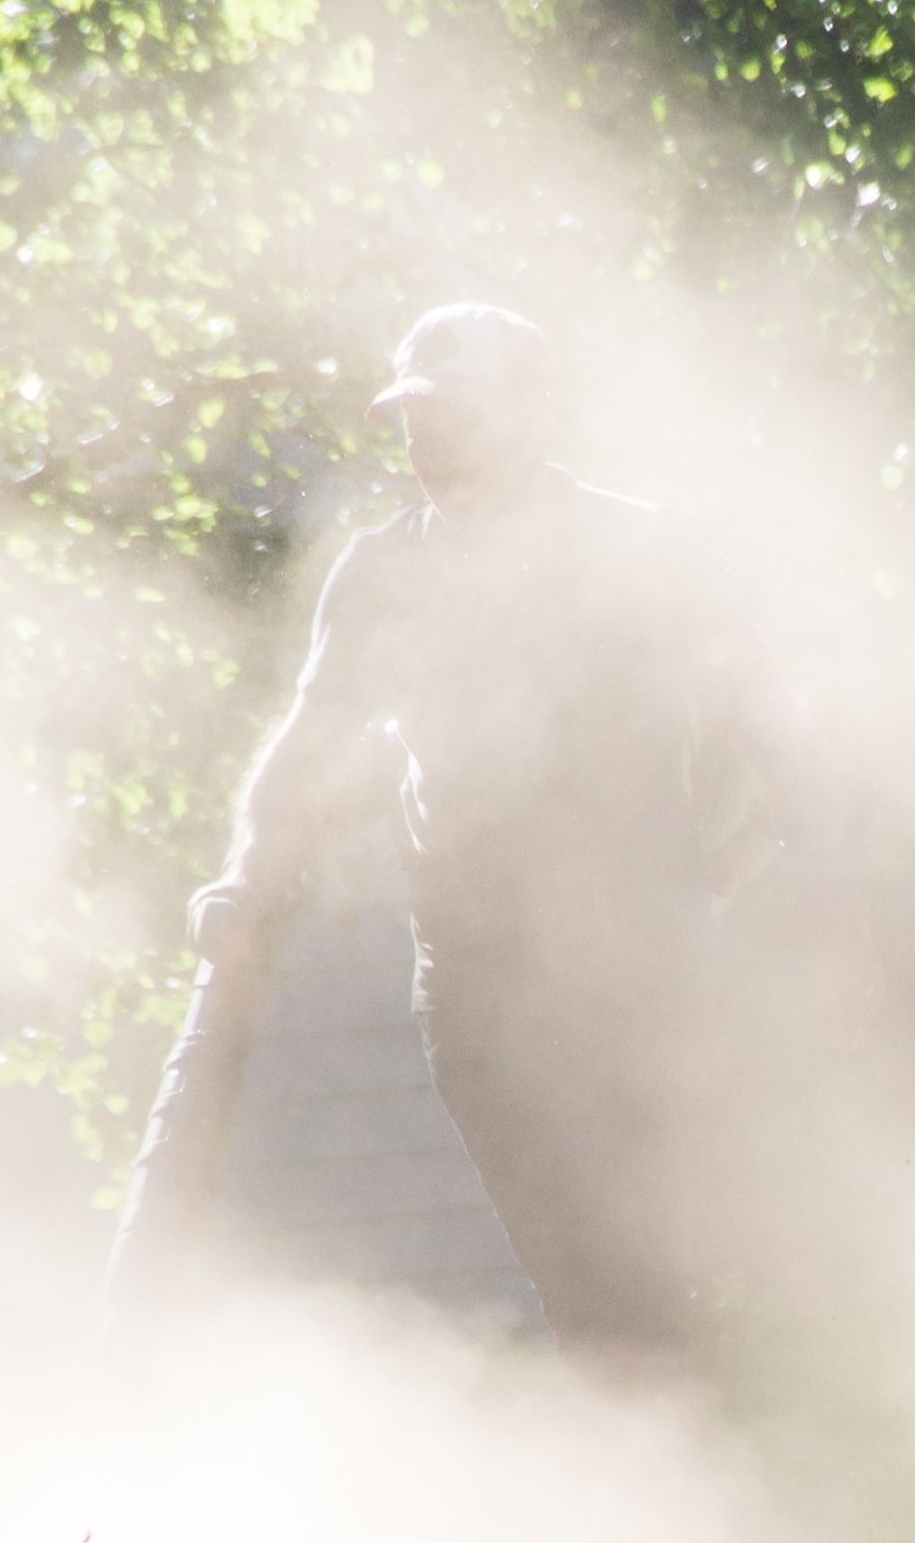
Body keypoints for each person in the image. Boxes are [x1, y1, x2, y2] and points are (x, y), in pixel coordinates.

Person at [111, 302, 776, 1354]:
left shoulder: (634, 553)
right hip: (478, 975)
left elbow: (749, 729)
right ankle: (643, 1442)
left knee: (665, 1261)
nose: (431, 438)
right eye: (416, 416)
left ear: (534, 416)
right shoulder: (385, 572)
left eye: (460, 414)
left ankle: (685, 1435)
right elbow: (310, 742)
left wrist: (732, 877)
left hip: (642, 961)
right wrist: (247, 876)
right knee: (586, 1268)